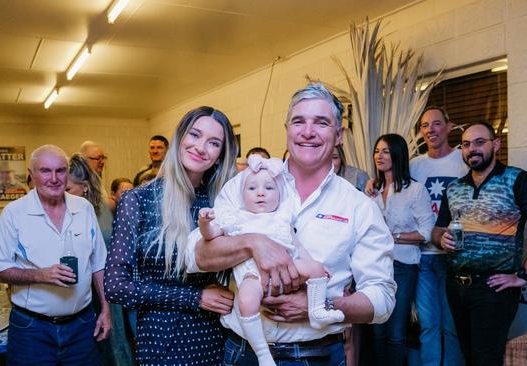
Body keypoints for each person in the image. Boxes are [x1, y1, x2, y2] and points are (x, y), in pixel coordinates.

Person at [188, 83, 397, 366]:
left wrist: (319, 306)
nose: (308, 132)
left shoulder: (359, 207)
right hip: (243, 353)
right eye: (299, 121)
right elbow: (196, 256)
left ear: (339, 135)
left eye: (321, 123)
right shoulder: (246, 185)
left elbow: (382, 298)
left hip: (317, 355)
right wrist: (253, 242)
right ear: (287, 128)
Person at [104, 106, 238, 365]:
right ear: (179, 138)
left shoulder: (221, 204)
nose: (201, 147)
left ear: (221, 155)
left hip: (216, 338)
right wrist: (195, 298)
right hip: (161, 341)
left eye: (213, 143)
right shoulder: (138, 200)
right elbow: (116, 286)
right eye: (195, 135)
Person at [198, 155, 344, 366]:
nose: (260, 193)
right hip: (252, 275)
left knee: (316, 268)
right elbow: (210, 235)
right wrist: (204, 222)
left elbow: (298, 247)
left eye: (269, 188)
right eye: (252, 188)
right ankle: (262, 353)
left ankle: (317, 311)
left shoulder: (282, 218)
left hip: (290, 267)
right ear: (241, 195)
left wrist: (315, 267)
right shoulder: (237, 218)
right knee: (247, 300)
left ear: (280, 194)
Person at [433, 122, 527, 365]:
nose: (472, 149)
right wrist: (440, 238)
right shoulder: (454, 188)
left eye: (479, 142)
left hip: (494, 288)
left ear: (496, 144)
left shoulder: (517, 179)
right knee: (469, 354)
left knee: (486, 358)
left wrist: (525, 275)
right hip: (456, 286)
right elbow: (437, 229)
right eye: (466, 145)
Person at [0, 144, 111, 365]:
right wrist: (41, 275)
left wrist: (105, 308)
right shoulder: (14, 213)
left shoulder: (83, 208)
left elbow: (98, 264)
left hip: (82, 326)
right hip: (31, 330)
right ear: (31, 174)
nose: (54, 178)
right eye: (45, 171)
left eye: (60, 170)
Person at [367, 134, 434, 366]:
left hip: (404, 268)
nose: (379, 155)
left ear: (398, 154)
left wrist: (391, 237)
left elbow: (426, 232)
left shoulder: (415, 190)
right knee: (376, 331)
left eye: (385, 151)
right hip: (376, 267)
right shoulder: (373, 190)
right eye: (377, 151)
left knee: (396, 332)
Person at [410, 106, 467, 366]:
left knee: (452, 326)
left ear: (448, 126)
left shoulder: (463, 160)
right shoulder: (414, 166)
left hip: (454, 258)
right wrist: (373, 184)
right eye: (425, 126)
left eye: (436, 124)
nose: (430, 130)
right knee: (428, 325)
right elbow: (393, 189)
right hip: (423, 257)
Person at [67, 154, 134, 366]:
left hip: (106, 284)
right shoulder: (66, 210)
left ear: (85, 187)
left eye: (68, 189)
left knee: (113, 340)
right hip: (79, 287)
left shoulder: (107, 207)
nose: (62, 193)